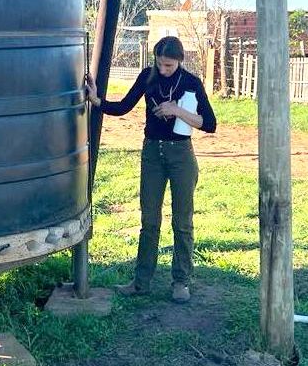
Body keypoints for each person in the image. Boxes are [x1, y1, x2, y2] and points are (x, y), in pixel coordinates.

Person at [85, 36, 217, 303]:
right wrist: (97, 100)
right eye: (160, 64)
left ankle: (181, 282)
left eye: (169, 65)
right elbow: (124, 106)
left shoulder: (191, 82)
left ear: (180, 61)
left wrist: (177, 110)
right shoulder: (148, 76)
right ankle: (141, 281)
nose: (164, 69)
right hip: (152, 152)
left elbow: (210, 123)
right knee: (149, 221)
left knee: (182, 222)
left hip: (181, 155)